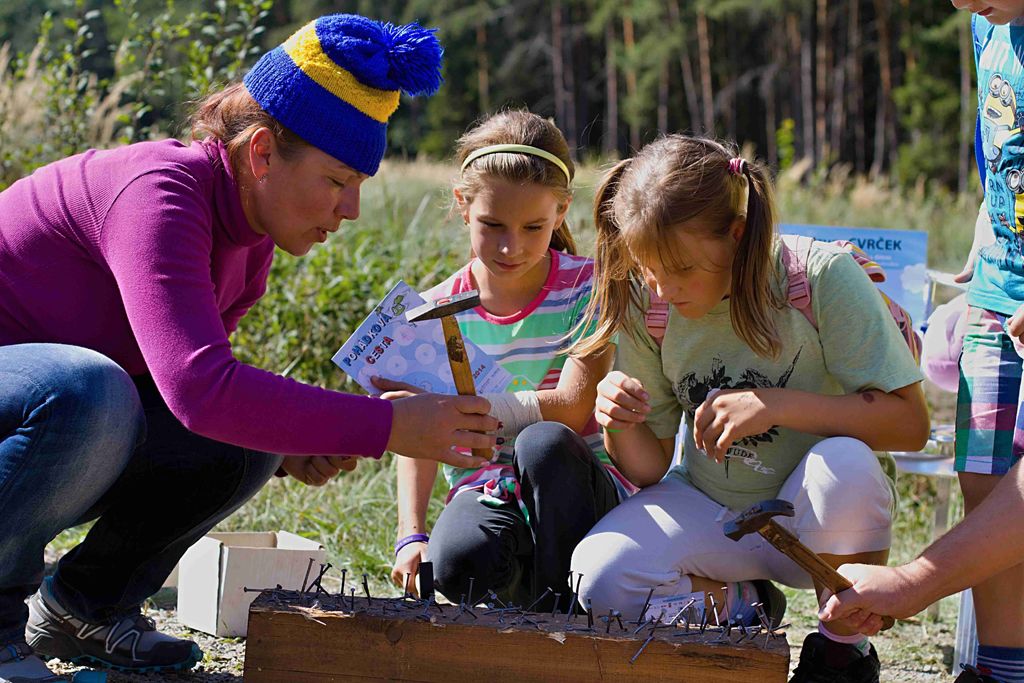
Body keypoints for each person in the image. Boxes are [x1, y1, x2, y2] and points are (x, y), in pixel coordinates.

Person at [0, 14, 498, 683]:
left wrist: (284, 445)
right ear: (262, 152)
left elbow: (193, 401)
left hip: (36, 419)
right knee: (92, 387)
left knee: (249, 436)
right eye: (336, 180)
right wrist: (389, 426)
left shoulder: (248, 242)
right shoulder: (160, 195)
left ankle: (85, 606)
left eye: (360, 186)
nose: (350, 209)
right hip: (41, 399)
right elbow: (199, 387)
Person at [567, 135, 929, 683]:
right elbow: (646, 468)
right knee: (600, 582)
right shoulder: (651, 300)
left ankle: (840, 647)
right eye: (648, 270)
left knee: (847, 468)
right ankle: (744, 607)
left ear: (736, 236)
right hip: (712, 507)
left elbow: (910, 423)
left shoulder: (819, 277)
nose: (661, 291)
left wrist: (775, 404)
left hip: (819, 523)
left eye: (681, 270)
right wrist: (619, 421)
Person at [377, 110, 628, 611]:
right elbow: (417, 432)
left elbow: (574, 409)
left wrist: (449, 408)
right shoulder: (432, 311)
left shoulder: (591, 286)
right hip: (486, 485)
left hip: (580, 485)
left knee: (543, 443)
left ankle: (568, 617)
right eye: (492, 225)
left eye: (534, 227)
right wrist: (411, 536)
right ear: (463, 206)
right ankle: (531, 605)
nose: (511, 246)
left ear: (561, 213)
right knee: (458, 563)